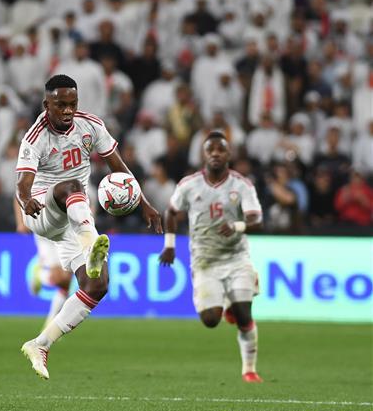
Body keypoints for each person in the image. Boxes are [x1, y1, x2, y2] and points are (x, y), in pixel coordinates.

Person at [18, 74, 162, 380]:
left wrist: (144, 203)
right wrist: (26, 200)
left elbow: (119, 168)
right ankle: (88, 244)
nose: (68, 110)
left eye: (72, 104)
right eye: (60, 105)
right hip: (43, 210)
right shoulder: (34, 137)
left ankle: (40, 343)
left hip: (74, 216)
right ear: (47, 104)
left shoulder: (91, 125)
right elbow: (22, 184)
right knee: (71, 185)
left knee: (97, 285)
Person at [160, 131, 264, 383]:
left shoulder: (242, 185)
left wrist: (238, 226)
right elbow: (171, 212)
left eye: (221, 149)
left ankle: (249, 370)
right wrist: (170, 245)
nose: (216, 154)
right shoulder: (189, 185)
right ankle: (225, 305)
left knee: (243, 314)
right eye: (211, 150)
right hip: (205, 260)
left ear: (229, 154)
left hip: (236, 257)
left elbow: (256, 220)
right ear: (203, 154)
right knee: (210, 320)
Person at [14, 200, 73, 330]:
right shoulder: (35, 179)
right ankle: (41, 275)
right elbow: (18, 195)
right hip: (44, 227)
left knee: (66, 281)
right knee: (59, 279)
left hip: (67, 226)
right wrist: (20, 222)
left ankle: (50, 324)